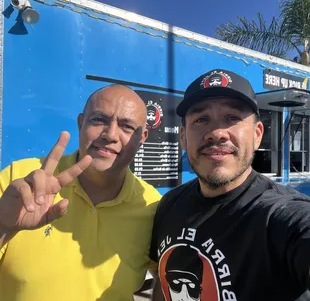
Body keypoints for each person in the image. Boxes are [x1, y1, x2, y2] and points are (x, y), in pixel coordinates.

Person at [150, 69, 310, 301]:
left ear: (257, 135)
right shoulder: (169, 205)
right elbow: (161, 284)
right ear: (183, 138)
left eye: (232, 118)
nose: (216, 133)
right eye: (201, 119)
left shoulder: (281, 215)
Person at [0, 84, 161, 301]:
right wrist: (4, 228)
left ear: (142, 138)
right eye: (99, 120)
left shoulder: (152, 206)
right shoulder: (19, 179)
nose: (110, 134)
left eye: (126, 126)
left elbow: (167, 281)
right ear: (80, 123)